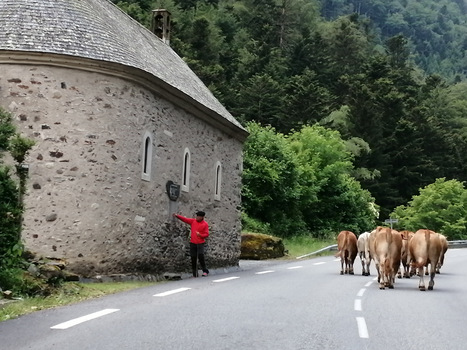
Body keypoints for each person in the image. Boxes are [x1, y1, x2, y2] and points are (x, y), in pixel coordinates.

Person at [173, 211, 210, 277]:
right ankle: (194, 273)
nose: (197, 217)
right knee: (193, 257)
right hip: (193, 243)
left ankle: (205, 271)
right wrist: (177, 216)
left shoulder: (205, 224)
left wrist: (200, 235)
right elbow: (185, 219)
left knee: (201, 256)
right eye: (197, 216)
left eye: (198, 216)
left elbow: (206, 234)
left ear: (202, 217)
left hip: (200, 243)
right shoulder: (193, 221)